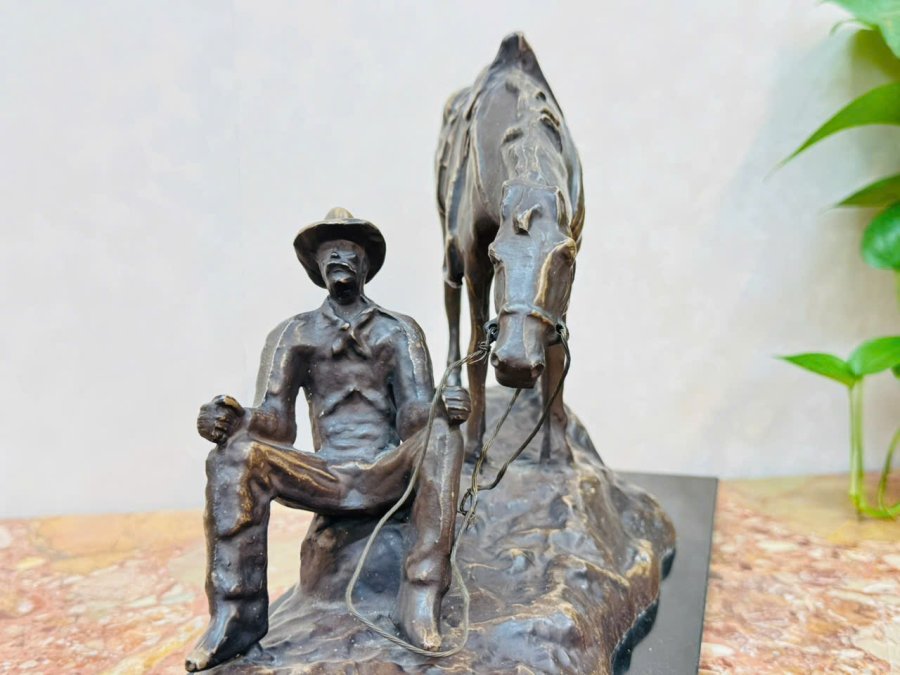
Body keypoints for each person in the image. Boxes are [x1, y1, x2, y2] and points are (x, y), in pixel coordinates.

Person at [185, 208, 470, 671]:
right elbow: (277, 422)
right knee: (233, 458)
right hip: (325, 474)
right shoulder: (293, 333)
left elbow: (415, 417)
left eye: (349, 249)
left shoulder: (399, 331)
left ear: (366, 263)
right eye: (329, 250)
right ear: (316, 265)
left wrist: (442, 408)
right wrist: (235, 420)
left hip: (386, 470)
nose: (339, 256)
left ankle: (419, 598)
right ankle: (235, 618)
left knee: (442, 438)